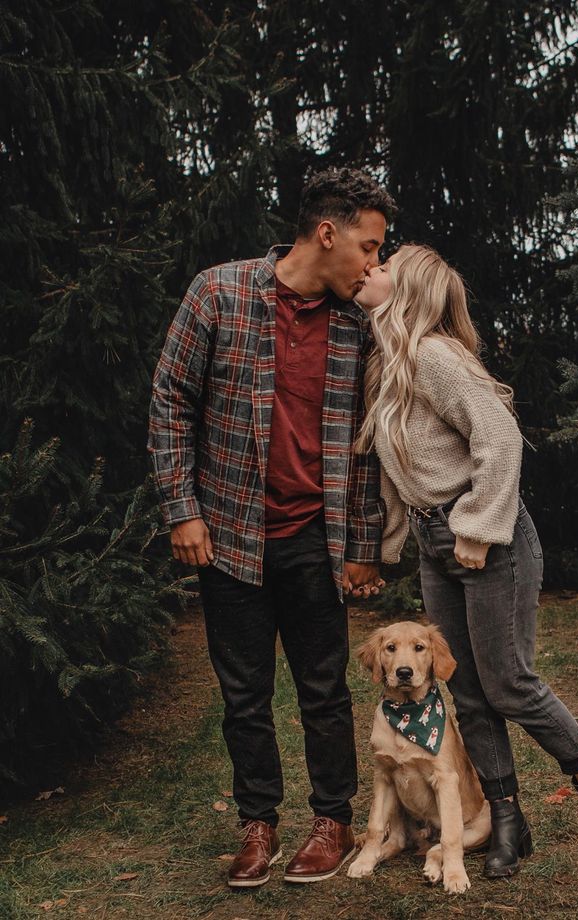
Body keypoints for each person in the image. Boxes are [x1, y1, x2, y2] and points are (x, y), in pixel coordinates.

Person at [354, 244, 578, 879]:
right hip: (439, 541)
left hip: (489, 537)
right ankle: (508, 819)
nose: (369, 267)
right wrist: (388, 547)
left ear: (410, 291)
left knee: (506, 680)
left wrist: (480, 528)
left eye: (383, 264)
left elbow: (500, 435)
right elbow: (402, 474)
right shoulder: (392, 364)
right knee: (468, 692)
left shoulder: (434, 355)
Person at [148, 168, 396, 888]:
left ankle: (333, 822)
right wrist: (182, 509)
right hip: (227, 534)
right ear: (328, 232)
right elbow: (169, 399)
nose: (375, 264)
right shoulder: (218, 292)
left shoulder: (359, 322)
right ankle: (257, 826)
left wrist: (361, 547)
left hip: (317, 542)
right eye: (370, 246)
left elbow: (367, 443)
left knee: (325, 690)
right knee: (244, 693)